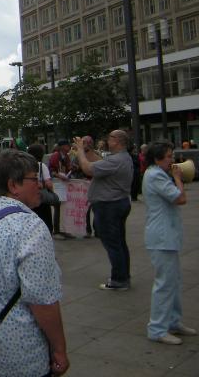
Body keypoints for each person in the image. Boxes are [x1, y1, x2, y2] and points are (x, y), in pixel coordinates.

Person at [0, 149, 69, 377]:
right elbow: (42, 301)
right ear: (13, 185)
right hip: (20, 352)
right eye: (33, 179)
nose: (39, 184)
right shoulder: (30, 227)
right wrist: (59, 349)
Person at [143, 141, 194, 345]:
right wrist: (177, 178)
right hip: (161, 237)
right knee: (165, 284)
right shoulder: (156, 175)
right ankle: (157, 328)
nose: (172, 160)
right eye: (168, 157)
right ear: (157, 159)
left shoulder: (156, 173)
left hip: (165, 236)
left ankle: (173, 321)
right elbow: (180, 198)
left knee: (173, 281)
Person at [73, 130, 133, 291]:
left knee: (113, 244)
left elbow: (87, 168)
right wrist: (86, 150)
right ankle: (123, 275)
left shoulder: (116, 160)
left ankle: (119, 280)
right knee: (119, 242)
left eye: (111, 137)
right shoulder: (121, 158)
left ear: (118, 141)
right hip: (117, 203)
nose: (108, 139)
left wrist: (79, 150)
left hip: (109, 206)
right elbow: (97, 162)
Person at [27, 144, 54, 233]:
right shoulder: (42, 166)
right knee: (45, 222)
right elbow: (48, 184)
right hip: (41, 198)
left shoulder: (25, 166)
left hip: (28, 198)